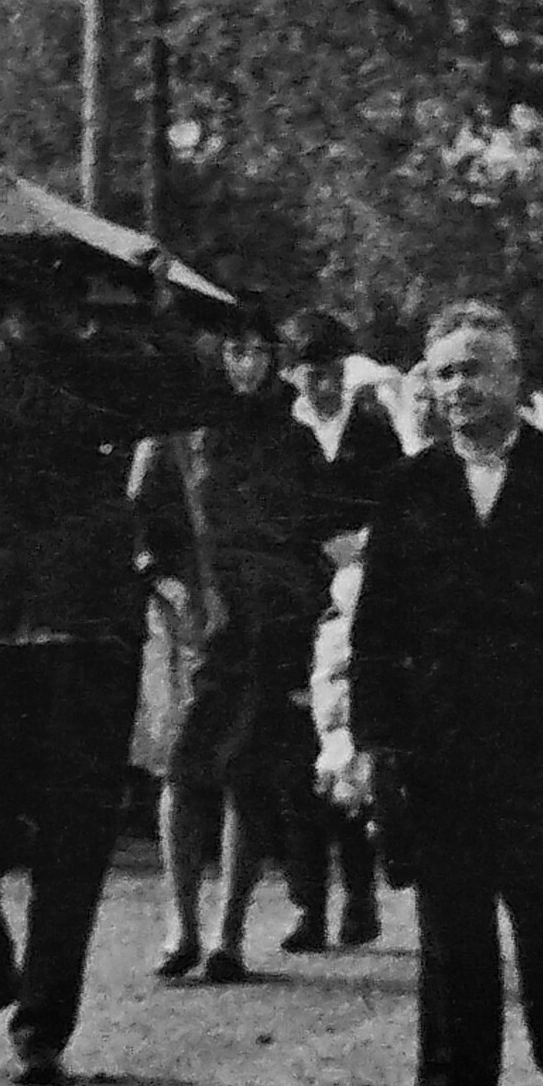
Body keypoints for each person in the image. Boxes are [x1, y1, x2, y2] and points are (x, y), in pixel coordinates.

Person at [0, 253, 245, 1086]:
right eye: (30, 303)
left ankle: (42, 1025)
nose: (48, 318)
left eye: (62, 302)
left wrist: (162, 314)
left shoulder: (112, 373)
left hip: (87, 622)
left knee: (75, 835)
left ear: (81, 308)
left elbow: (203, 396)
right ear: (2, 310)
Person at [345, 303, 543, 1086]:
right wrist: (373, 740)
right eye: (444, 373)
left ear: (513, 376)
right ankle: (454, 1085)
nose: (459, 387)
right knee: (451, 923)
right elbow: (377, 627)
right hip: (439, 740)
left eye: (475, 368)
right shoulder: (408, 486)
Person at [131, 313, 331, 982]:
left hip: (270, 621)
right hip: (195, 624)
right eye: (236, 350)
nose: (249, 364)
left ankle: (228, 933)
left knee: (251, 773)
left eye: (260, 351)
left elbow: (316, 529)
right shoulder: (175, 434)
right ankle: (180, 924)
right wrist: (172, 589)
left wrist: (303, 599)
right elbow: (140, 529)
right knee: (183, 770)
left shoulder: (293, 437)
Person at [270, 310, 404, 953]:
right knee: (296, 757)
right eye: (311, 373)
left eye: (331, 372)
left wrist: (365, 545)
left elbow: (399, 505)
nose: (322, 385)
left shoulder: (373, 432)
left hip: (356, 602)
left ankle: (359, 895)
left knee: (348, 744)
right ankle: (307, 903)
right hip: (293, 602)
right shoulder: (279, 434)